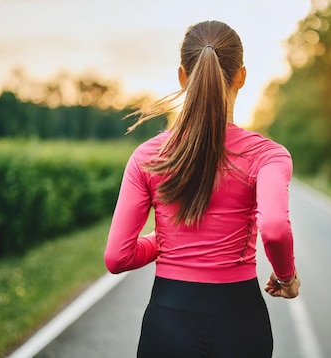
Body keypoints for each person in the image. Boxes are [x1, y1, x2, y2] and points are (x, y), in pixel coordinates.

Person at [104, 20, 300, 358]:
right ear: (241, 75)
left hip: (168, 322)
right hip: (241, 323)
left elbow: (117, 257)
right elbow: (275, 230)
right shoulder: (267, 154)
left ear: (182, 75)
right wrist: (287, 277)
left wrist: (161, 241)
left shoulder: (149, 156)